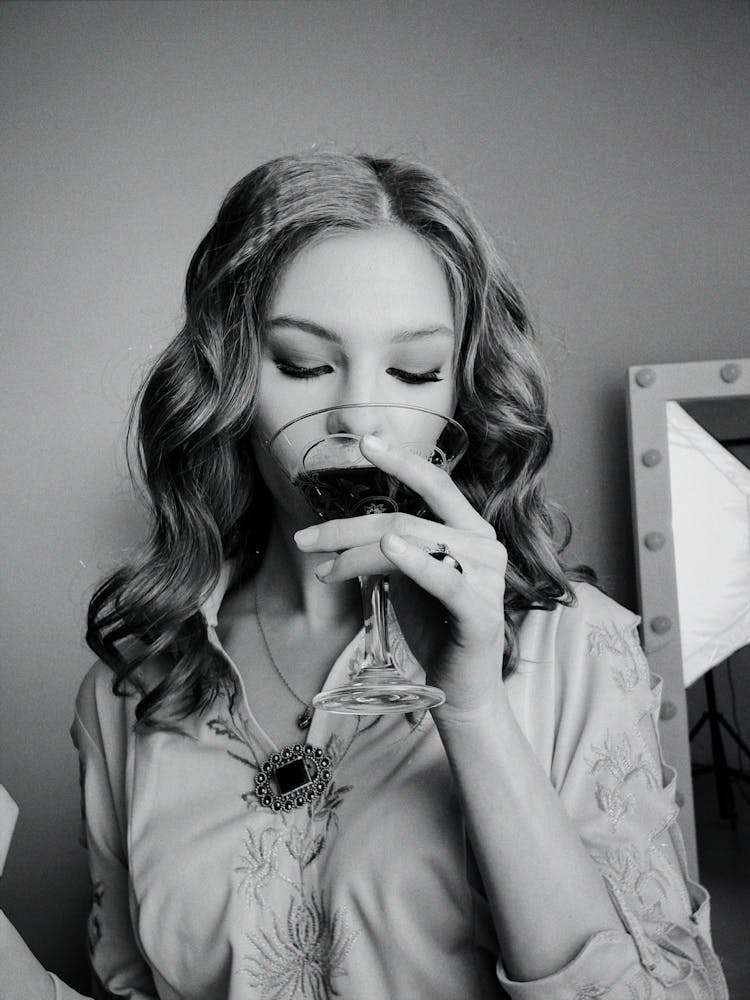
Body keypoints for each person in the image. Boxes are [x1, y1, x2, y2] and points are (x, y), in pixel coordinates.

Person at [68, 152, 727, 1000]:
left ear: (461, 389)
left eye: (414, 371)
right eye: (304, 364)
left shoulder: (576, 649)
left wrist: (477, 713)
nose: (362, 419)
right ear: (226, 380)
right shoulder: (130, 691)